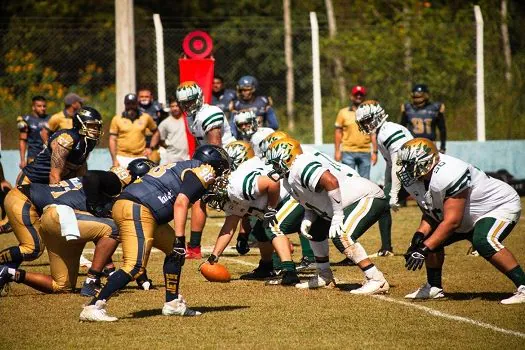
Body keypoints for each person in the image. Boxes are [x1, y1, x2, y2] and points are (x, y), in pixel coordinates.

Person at [79, 145, 230, 321]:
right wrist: (181, 239)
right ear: (213, 164)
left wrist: (177, 244)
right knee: (135, 266)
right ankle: (94, 305)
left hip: (140, 208)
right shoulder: (204, 170)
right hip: (138, 208)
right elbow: (181, 202)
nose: (222, 176)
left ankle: (172, 303)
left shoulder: (185, 165)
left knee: (174, 252)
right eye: (222, 170)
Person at [398, 138, 524, 304]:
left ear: (427, 162)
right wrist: (419, 235)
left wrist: (424, 249)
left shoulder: (449, 173)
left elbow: (452, 222)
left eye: (410, 164)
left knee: (483, 240)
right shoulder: (417, 179)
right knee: (429, 240)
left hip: (497, 206)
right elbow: (432, 213)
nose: (406, 169)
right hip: (466, 213)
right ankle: (434, 287)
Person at [266, 138, 390, 294]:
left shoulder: (301, 165)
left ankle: (376, 279)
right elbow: (310, 201)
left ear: (288, 157)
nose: (274, 167)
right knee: (315, 231)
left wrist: (338, 215)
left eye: (276, 162)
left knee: (342, 235)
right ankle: (325, 276)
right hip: (344, 203)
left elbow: (331, 181)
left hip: (367, 197)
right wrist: (308, 218)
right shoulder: (288, 179)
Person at [201, 141, 303, 286]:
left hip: (291, 195)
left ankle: (289, 271)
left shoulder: (237, 185)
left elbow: (272, 182)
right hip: (278, 199)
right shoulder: (230, 192)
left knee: (271, 227)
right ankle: (267, 267)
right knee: (260, 230)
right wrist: (213, 257)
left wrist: (271, 208)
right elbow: (228, 228)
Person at [176, 81, 236, 259]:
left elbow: (215, 146)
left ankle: (258, 239)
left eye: (190, 101)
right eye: (184, 103)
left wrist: (211, 171)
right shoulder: (190, 117)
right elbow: (200, 143)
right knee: (198, 198)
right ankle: (194, 247)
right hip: (210, 159)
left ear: (200, 98)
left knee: (244, 203)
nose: (187, 106)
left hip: (228, 160)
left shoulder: (210, 113)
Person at [355, 100, 414, 256]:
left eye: (368, 120)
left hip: (416, 174)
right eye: (363, 122)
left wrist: (393, 192)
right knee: (382, 201)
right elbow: (390, 164)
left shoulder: (388, 131)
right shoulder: (381, 132)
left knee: (435, 210)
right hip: (410, 174)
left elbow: (398, 163)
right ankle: (386, 248)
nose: (366, 124)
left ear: (377, 116)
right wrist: (387, 185)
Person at [18, 106, 103, 185]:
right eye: (92, 126)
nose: (96, 130)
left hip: (47, 185)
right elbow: (54, 176)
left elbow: (80, 169)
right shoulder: (67, 139)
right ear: (80, 124)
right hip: (30, 182)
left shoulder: (89, 142)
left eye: (98, 126)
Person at [334, 85, 378, 179]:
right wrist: (337, 151)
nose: (358, 97)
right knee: (349, 181)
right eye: (356, 94)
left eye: (361, 95)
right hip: (347, 152)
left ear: (364, 97)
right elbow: (338, 132)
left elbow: (373, 133)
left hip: (365, 152)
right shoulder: (343, 112)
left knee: (365, 182)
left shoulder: (370, 113)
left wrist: (375, 152)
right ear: (351, 96)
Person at [109, 93, 160, 168]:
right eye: (128, 104)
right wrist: (114, 160)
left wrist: (151, 148)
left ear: (137, 104)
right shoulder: (117, 119)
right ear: (125, 104)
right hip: (122, 157)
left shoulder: (146, 117)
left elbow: (156, 132)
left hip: (141, 157)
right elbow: (112, 139)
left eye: (133, 103)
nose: (131, 106)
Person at [400, 84, 446, 153]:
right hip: (412, 144)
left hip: (430, 144)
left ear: (426, 95)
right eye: (416, 95)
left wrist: (443, 147)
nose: (417, 97)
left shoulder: (435, 108)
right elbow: (402, 128)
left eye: (420, 95)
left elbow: (442, 129)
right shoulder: (407, 108)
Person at [17, 95, 50, 169]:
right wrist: (22, 160)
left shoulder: (51, 119)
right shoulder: (26, 120)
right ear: (33, 107)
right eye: (39, 106)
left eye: (44, 106)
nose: (42, 108)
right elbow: (23, 140)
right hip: (33, 157)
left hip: (48, 156)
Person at [138, 87, 165, 164]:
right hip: (139, 146)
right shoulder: (134, 109)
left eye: (146, 96)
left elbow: (164, 123)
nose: (144, 99)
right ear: (138, 98)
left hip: (154, 145)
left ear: (151, 97)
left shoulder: (158, 108)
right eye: (141, 97)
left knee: (153, 166)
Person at [158, 98, 190, 163]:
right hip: (171, 158)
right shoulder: (165, 123)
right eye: (172, 106)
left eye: (177, 106)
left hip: (187, 157)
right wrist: (170, 147)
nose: (175, 108)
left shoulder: (188, 120)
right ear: (170, 108)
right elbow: (160, 140)